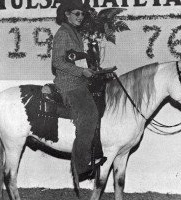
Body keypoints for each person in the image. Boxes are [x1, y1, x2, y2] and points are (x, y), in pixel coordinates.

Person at [51, 0, 106, 181]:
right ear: (66, 14)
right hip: (69, 84)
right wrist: (82, 71)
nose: (80, 17)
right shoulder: (62, 34)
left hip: (79, 81)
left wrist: (93, 69)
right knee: (90, 114)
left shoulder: (75, 33)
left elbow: (75, 59)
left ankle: (96, 150)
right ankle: (81, 166)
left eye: (82, 14)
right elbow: (58, 62)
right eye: (77, 14)